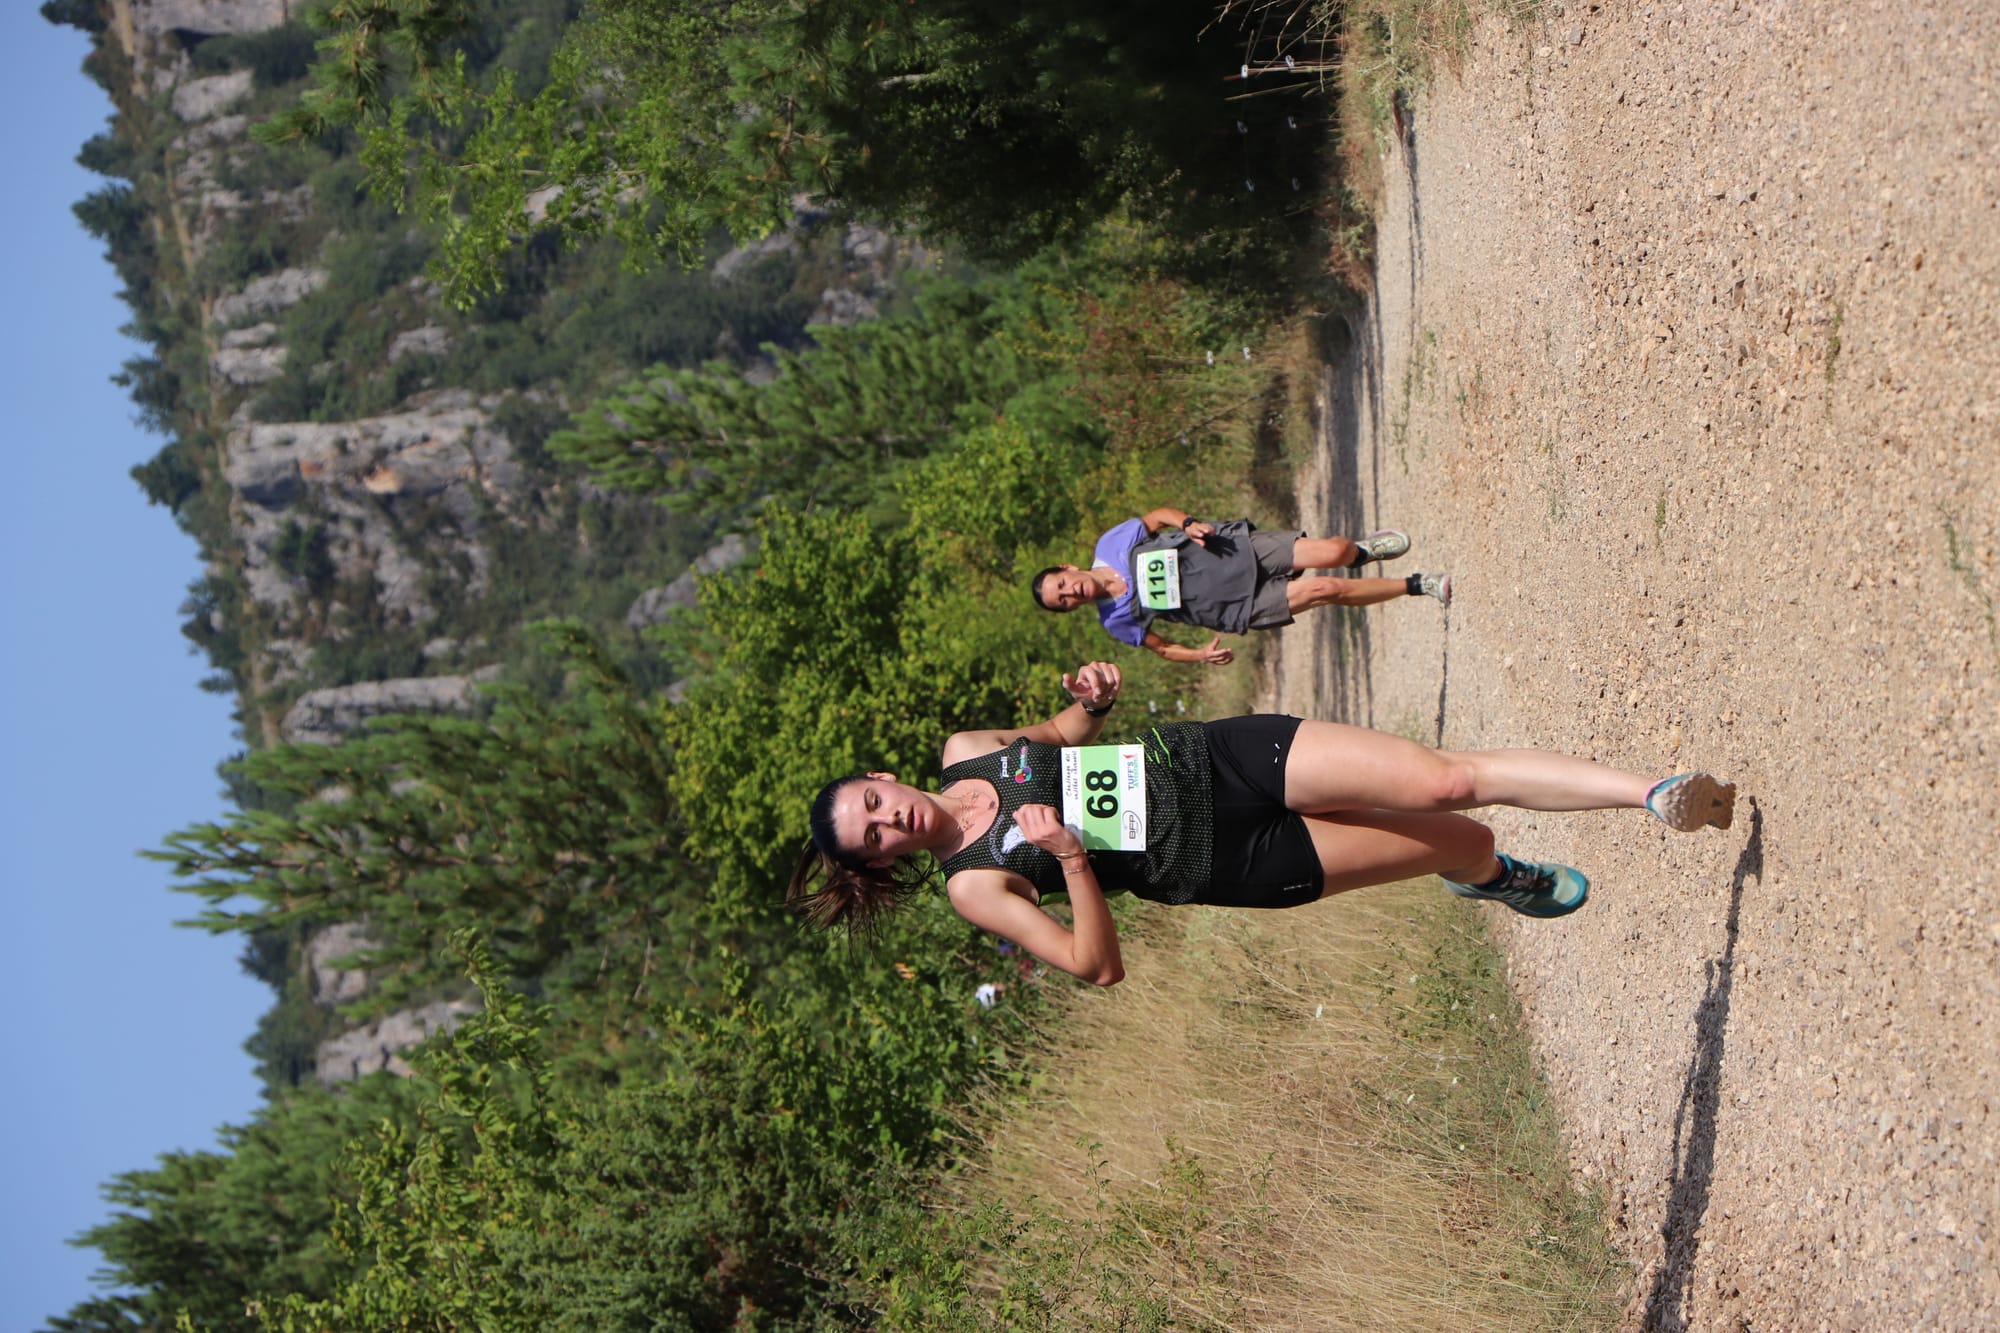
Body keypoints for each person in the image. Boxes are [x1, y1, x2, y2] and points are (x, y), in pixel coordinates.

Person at [788, 662, 1736, 985]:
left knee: (1447, 780)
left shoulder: (967, 749)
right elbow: (1094, 964)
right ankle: (1489, 876)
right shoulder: (974, 886)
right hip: (1231, 856)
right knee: (1465, 838)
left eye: (872, 803)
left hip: (1220, 757)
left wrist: (1094, 700)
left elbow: (1061, 736)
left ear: (881, 778)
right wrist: (1071, 859)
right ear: (883, 859)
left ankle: (1652, 792)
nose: (887, 820)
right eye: (873, 838)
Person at [1030, 508, 1449, 666]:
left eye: (1062, 584)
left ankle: (1362, 551)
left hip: (1231, 551)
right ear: (1069, 609)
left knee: (1335, 552)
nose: (1070, 593)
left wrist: (1187, 523)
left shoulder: (1110, 544)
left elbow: (1156, 517)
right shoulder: (1115, 621)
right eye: (1062, 601)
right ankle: (1416, 585)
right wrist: (1199, 655)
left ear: (1067, 567)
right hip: (1234, 606)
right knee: (1324, 590)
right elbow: (1162, 647)